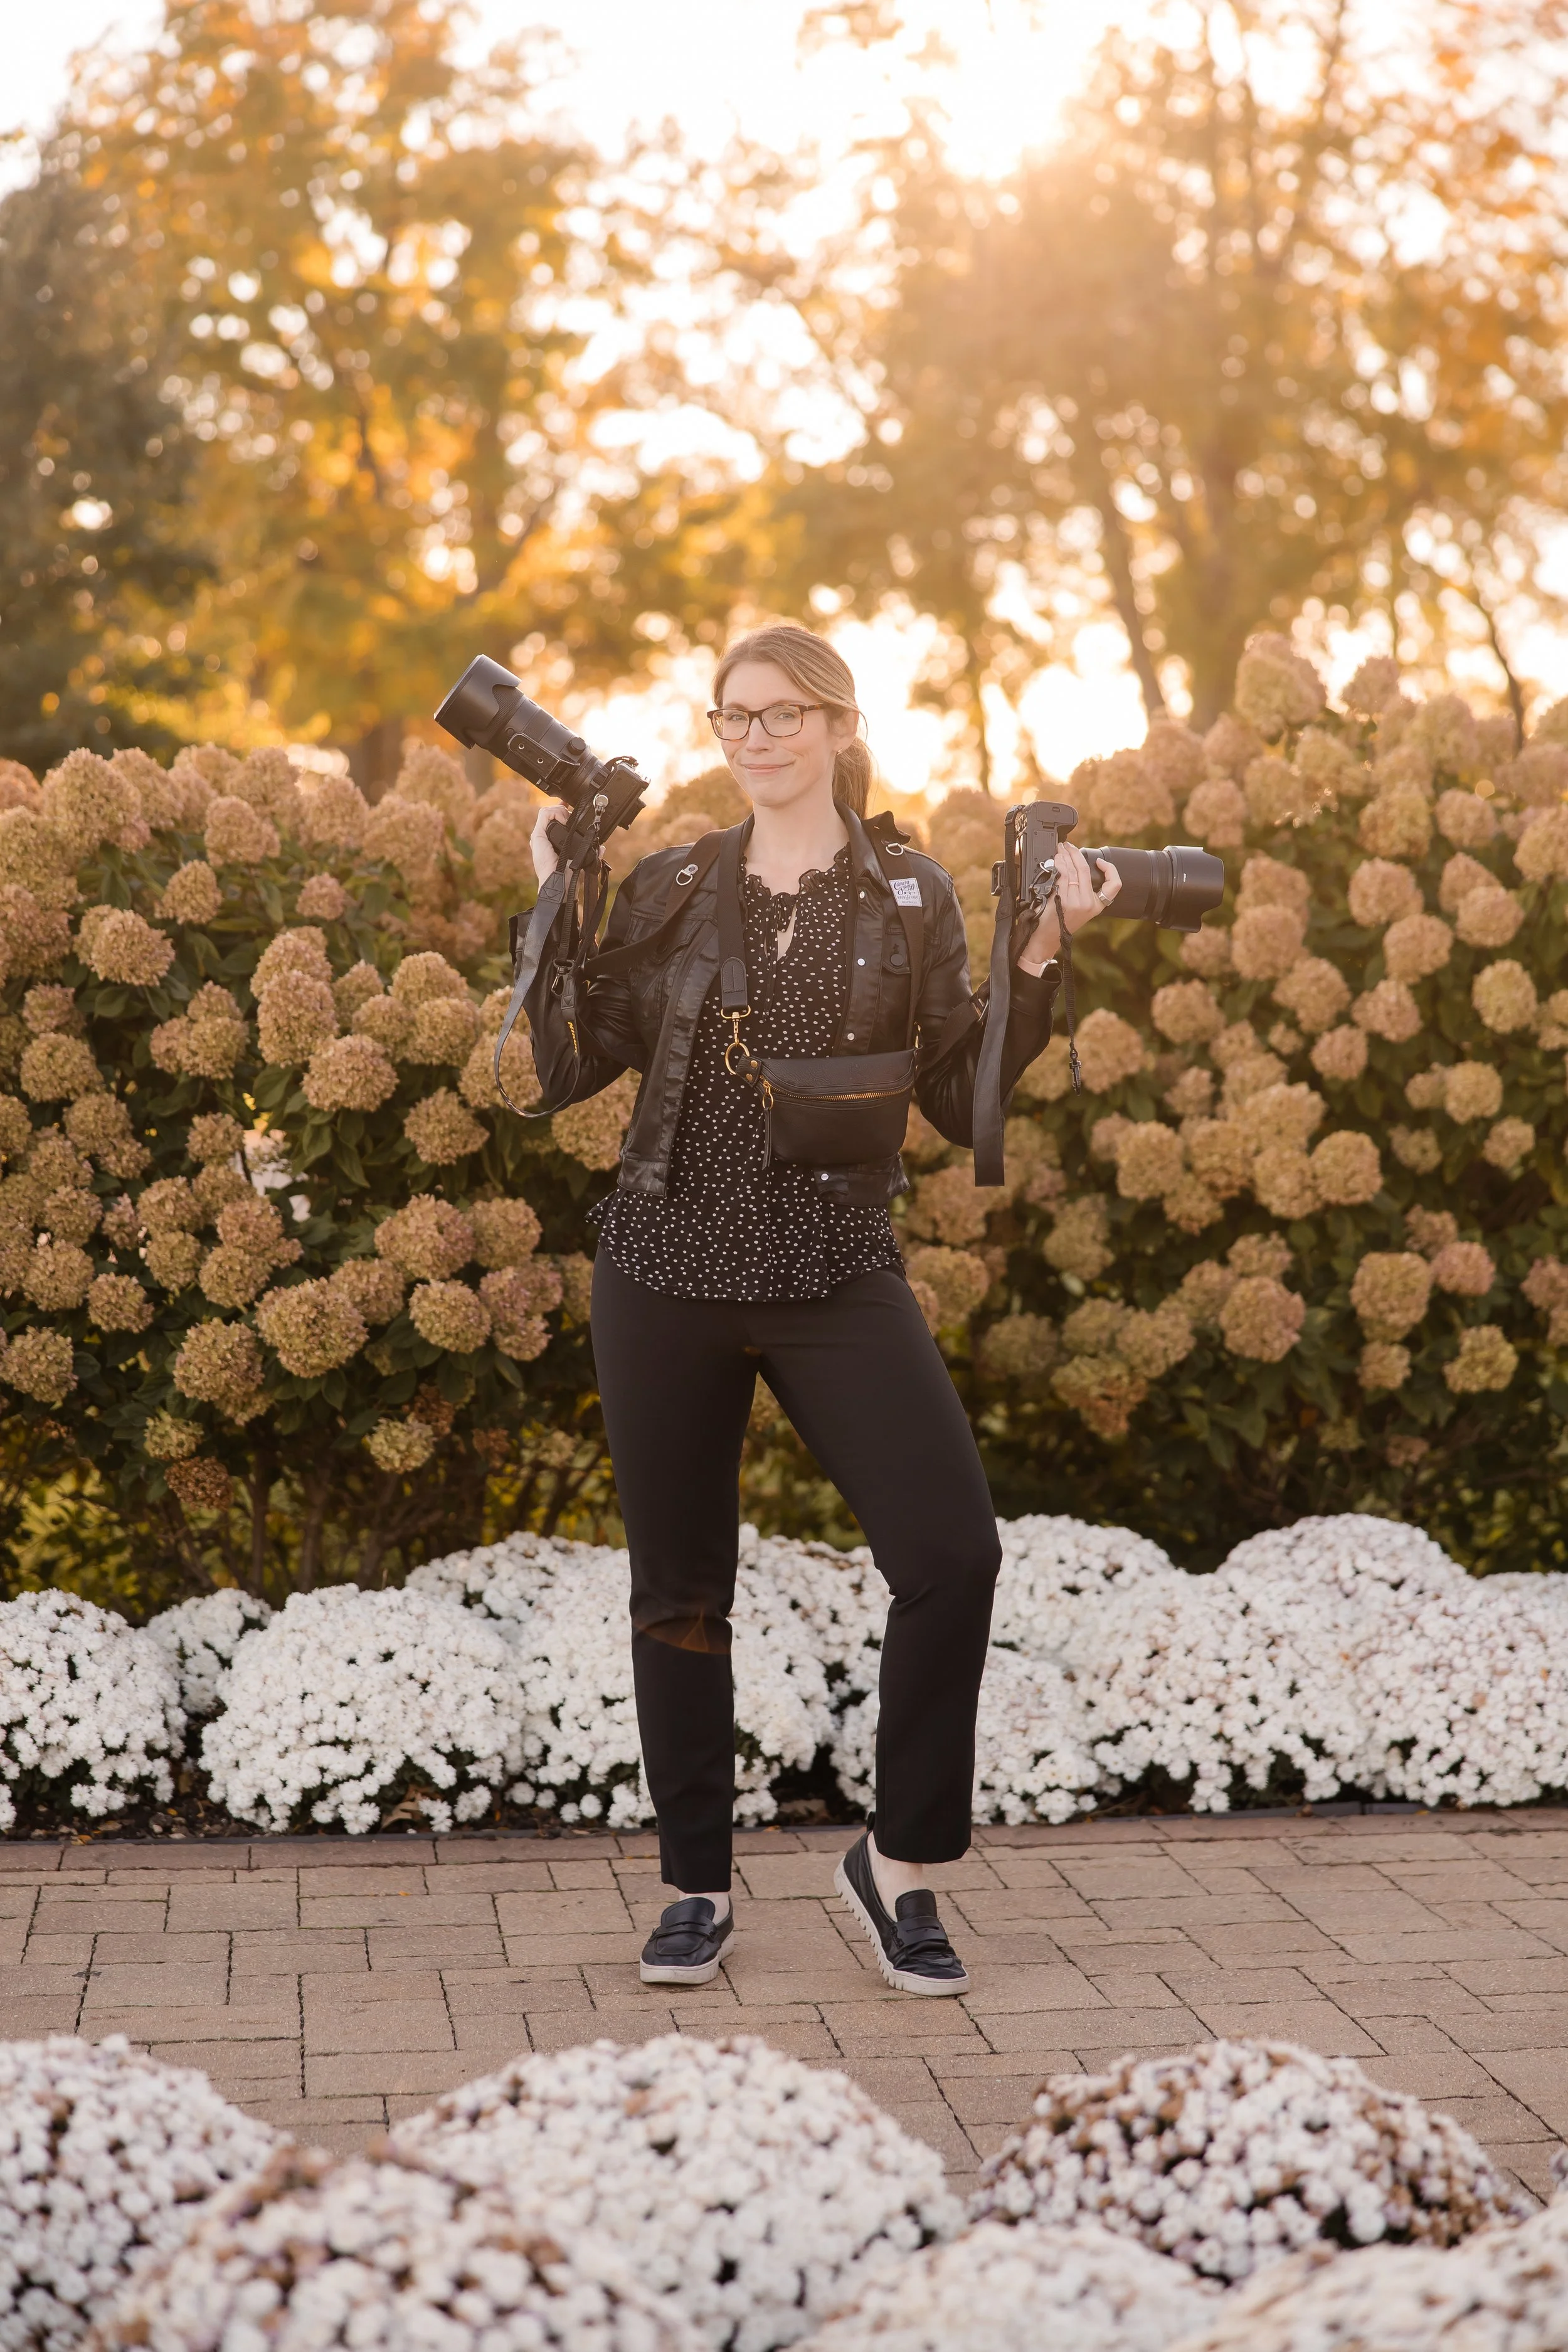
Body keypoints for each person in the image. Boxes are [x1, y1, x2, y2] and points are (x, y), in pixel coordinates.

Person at [525, 622, 1120, 1995]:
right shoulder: (671, 881)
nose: (757, 738)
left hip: (833, 1263)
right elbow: (572, 1066)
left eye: (785, 714)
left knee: (950, 1553)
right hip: (662, 1264)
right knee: (678, 1589)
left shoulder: (906, 893)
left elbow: (955, 1087)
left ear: (840, 728)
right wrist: (551, 903)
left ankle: (896, 1868)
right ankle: (693, 1883)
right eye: (734, 716)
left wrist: (1037, 957)